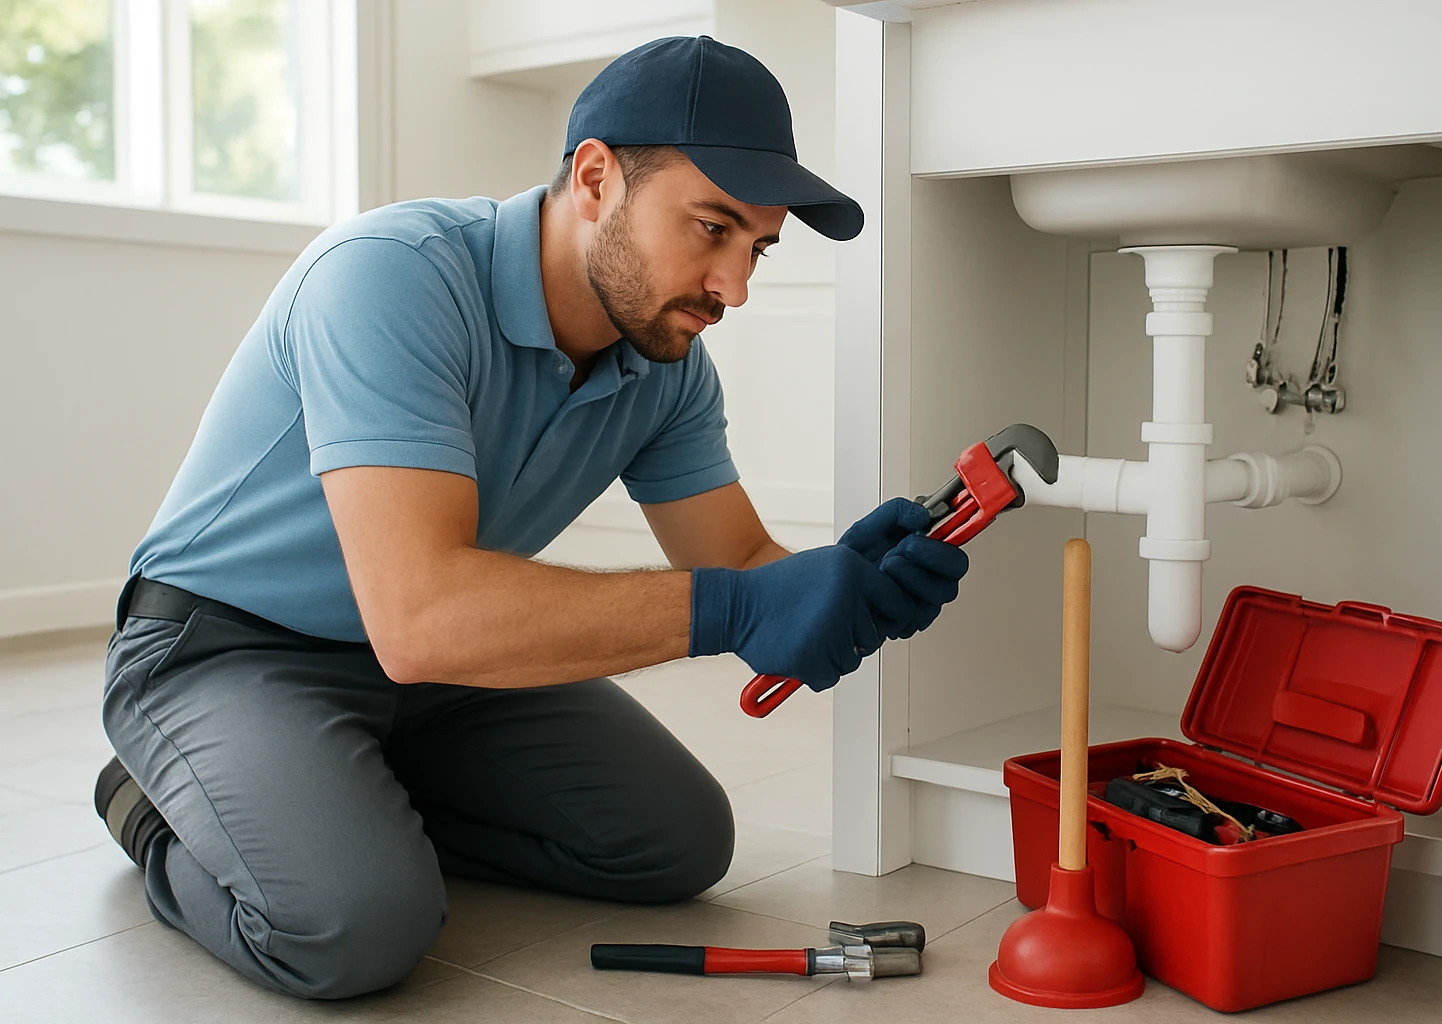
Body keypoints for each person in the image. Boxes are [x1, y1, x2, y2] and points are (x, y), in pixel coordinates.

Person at [93, 35, 969, 999]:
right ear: (596, 177)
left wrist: (846, 581)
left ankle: (343, 796)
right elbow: (422, 612)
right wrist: (735, 609)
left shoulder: (665, 370)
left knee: (676, 844)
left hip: (436, 672)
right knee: (353, 931)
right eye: (712, 229)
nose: (736, 288)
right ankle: (147, 806)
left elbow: (740, 568)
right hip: (226, 647)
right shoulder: (393, 276)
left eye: (757, 247)